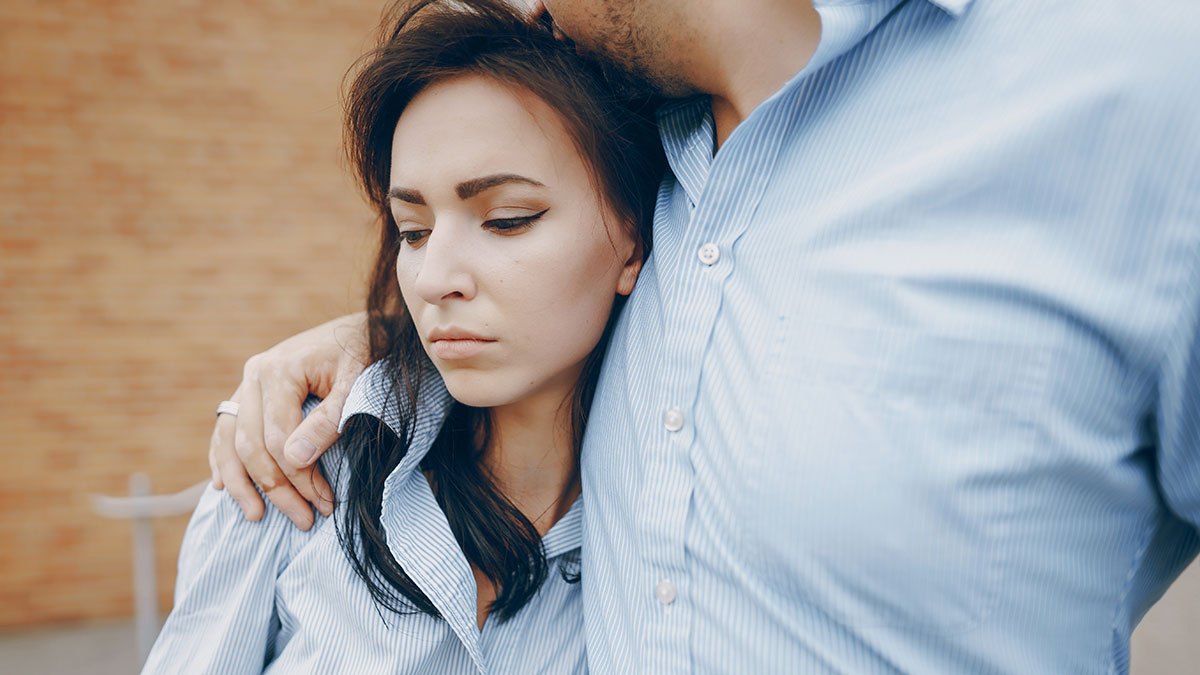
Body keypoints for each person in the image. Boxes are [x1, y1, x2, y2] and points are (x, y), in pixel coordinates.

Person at [211, 0, 1200, 672]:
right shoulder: (638, 145)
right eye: (417, 230)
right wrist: (392, 346)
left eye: (507, 221)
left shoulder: (1149, 90)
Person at [144, 1, 662, 672]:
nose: (433, 277)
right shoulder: (289, 460)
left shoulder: (672, 534)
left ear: (632, 241)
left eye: (507, 219)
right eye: (413, 231)